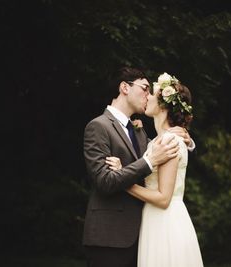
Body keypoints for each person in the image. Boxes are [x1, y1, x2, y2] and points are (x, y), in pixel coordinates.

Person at [82, 67, 194, 267]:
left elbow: (165, 155)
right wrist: (150, 162)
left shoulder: (140, 131)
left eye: (151, 91)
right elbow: (104, 181)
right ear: (125, 87)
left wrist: (186, 140)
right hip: (111, 237)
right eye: (144, 88)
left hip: (144, 233)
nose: (148, 95)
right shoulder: (98, 126)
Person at [107, 72, 204, 267]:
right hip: (154, 219)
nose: (147, 97)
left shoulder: (169, 140)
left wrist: (123, 181)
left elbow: (163, 198)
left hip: (165, 221)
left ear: (163, 105)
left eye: (151, 94)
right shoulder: (159, 139)